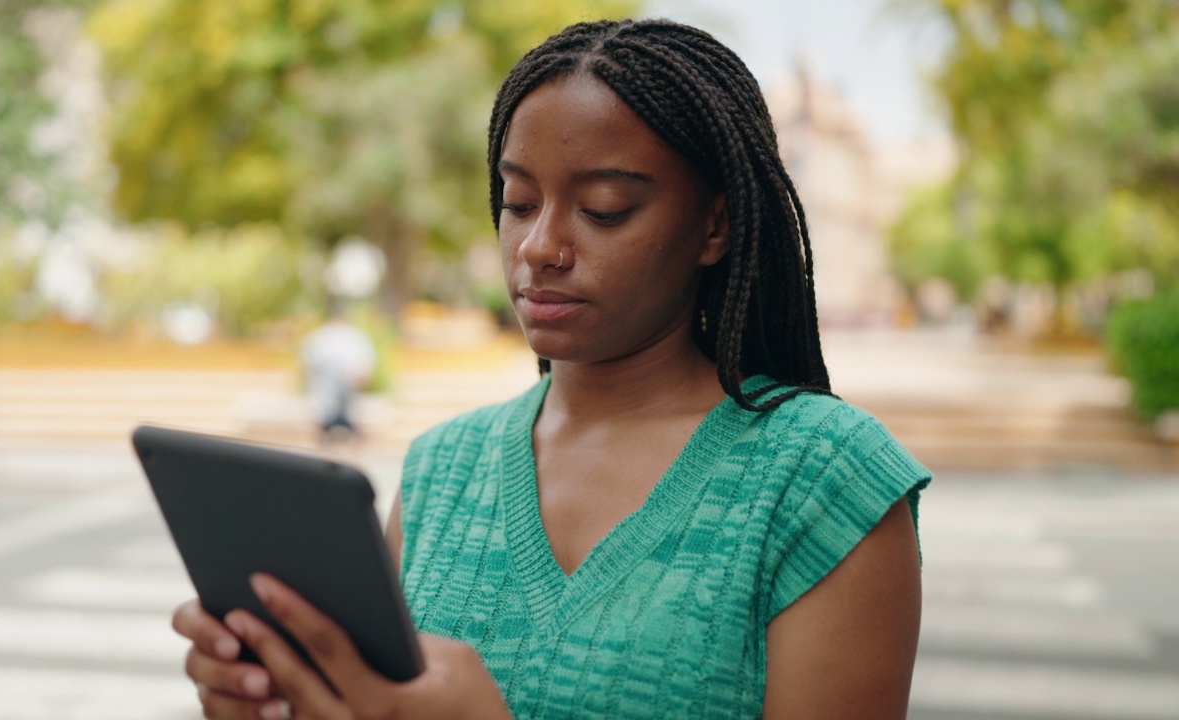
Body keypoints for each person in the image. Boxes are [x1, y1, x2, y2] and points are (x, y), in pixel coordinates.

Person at [173, 18, 931, 719]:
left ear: (716, 225)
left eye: (602, 209)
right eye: (517, 202)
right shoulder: (442, 469)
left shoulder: (824, 482)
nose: (540, 246)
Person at [299, 312, 377, 444]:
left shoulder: (353, 336)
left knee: (352, 417)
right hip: (325, 385)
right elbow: (309, 360)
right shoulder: (322, 336)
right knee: (324, 417)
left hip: (348, 386)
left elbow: (364, 361)